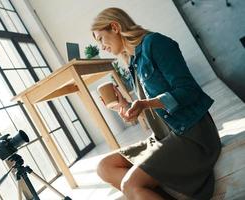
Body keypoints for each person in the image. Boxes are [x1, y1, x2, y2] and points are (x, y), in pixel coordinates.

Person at [91, 7, 221, 200]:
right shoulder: (134, 60)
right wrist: (125, 106)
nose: (102, 47)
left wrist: (144, 104)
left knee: (130, 183)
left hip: (191, 135)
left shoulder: (156, 43)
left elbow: (189, 91)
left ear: (115, 27)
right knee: (105, 167)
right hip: (162, 137)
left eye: (100, 38)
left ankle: (143, 190)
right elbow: (151, 106)